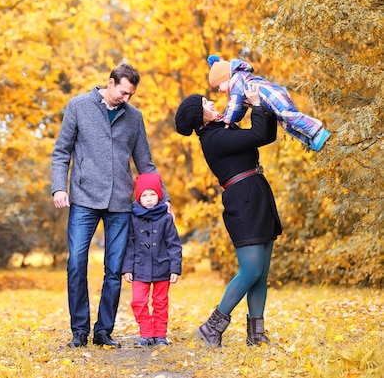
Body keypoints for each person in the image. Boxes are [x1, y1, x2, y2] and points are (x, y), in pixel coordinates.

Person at [51, 63, 170, 349]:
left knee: (114, 270)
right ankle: (79, 331)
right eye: (123, 92)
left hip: (120, 203)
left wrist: (164, 201)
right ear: (110, 82)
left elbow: (146, 163)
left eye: (131, 95)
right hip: (84, 199)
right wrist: (59, 187)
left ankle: (104, 331)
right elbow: (61, 151)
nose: (126, 99)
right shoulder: (78, 106)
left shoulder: (134, 118)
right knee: (76, 263)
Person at [174, 92, 282, 347]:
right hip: (242, 201)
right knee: (251, 270)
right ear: (199, 117)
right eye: (205, 104)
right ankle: (212, 326)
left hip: (256, 194)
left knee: (261, 272)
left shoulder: (223, 130)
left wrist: (269, 108)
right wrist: (255, 105)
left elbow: (265, 135)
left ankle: (256, 335)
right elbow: (255, 134)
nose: (212, 103)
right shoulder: (213, 139)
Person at [207, 54, 331, 152]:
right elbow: (240, 109)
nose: (219, 90)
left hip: (274, 97)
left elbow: (234, 105)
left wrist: (226, 120)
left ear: (226, 78)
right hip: (273, 99)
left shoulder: (236, 80)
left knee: (289, 116)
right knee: (286, 123)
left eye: (218, 86)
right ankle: (311, 140)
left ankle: (318, 131)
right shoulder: (239, 86)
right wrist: (234, 118)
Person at [122, 172, 182, 348]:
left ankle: (160, 335)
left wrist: (175, 268)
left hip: (162, 267)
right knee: (138, 302)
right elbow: (129, 244)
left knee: (160, 302)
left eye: (152, 194)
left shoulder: (166, 218)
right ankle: (146, 334)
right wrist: (127, 268)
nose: (148, 199)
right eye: (144, 195)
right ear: (139, 197)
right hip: (139, 268)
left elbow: (174, 245)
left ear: (159, 195)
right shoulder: (133, 217)